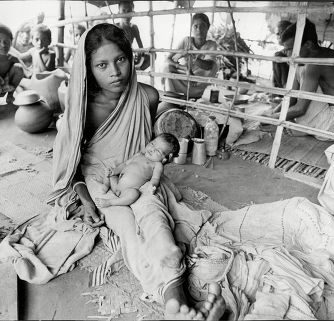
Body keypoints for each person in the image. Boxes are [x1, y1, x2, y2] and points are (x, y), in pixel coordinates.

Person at [51, 23, 226, 320]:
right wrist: (86, 198)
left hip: (139, 172)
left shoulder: (147, 96)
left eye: (120, 59)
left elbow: (148, 149)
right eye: (102, 65)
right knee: (128, 228)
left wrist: (153, 168)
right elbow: (69, 161)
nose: (115, 72)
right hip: (100, 180)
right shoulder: (81, 105)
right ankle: (173, 296)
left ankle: (175, 299)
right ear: (88, 68)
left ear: (132, 58)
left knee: (155, 216)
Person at [263, 19, 334, 140]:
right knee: (298, 69)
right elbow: (290, 97)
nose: (287, 54)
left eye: (290, 49)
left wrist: (272, 118)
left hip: (333, 124)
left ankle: (304, 127)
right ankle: (303, 126)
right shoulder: (319, 55)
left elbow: (300, 108)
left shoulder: (315, 63)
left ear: (308, 45)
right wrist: (274, 113)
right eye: (286, 50)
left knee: (303, 73)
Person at [95, 133, 180, 208]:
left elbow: (155, 179)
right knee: (109, 173)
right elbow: (125, 164)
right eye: (153, 144)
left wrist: (152, 186)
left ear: (164, 159)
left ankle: (110, 202)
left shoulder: (157, 165)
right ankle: (106, 185)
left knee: (134, 194)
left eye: (158, 150)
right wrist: (114, 171)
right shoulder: (139, 155)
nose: (152, 149)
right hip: (117, 184)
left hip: (127, 191)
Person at [164, 13, 218, 99]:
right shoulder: (186, 41)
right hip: (187, 77)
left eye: (202, 26)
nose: (199, 30)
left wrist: (191, 55)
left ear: (208, 27)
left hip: (198, 82)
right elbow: (168, 59)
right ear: (191, 28)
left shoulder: (211, 45)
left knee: (214, 65)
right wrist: (186, 69)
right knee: (167, 68)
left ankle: (194, 95)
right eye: (195, 26)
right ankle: (174, 94)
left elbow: (208, 66)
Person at [272, 20, 292, 89]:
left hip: (288, 89)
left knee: (278, 56)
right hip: (282, 89)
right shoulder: (282, 52)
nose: (277, 36)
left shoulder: (295, 52)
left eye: (278, 34)